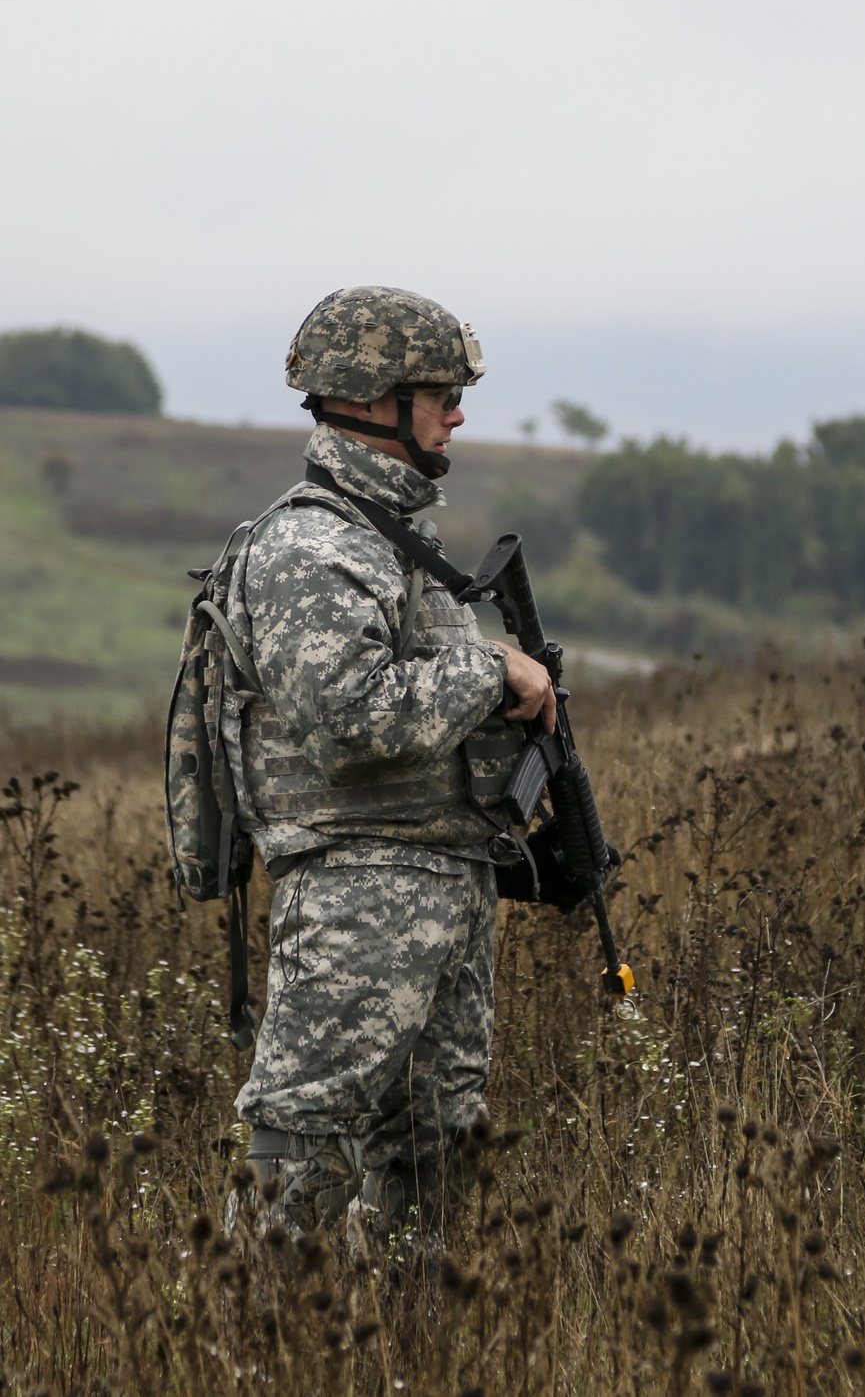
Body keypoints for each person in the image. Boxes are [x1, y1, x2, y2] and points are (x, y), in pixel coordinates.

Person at [220, 286, 555, 1247]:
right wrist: (489, 668)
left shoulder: (391, 539)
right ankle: (250, 1352)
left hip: (442, 877)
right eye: (440, 392)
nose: (458, 413)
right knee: (305, 1147)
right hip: (359, 884)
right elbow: (349, 719)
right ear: (373, 401)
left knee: (435, 1156)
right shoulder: (310, 544)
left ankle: (404, 1351)